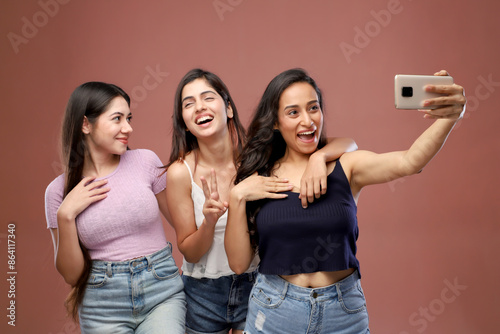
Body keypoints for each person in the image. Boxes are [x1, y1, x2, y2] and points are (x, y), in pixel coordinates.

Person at [225, 68, 466, 333]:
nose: (308, 120)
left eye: (313, 108)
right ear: (275, 122)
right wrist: (236, 197)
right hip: (275, 311)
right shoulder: (258, 177)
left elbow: (409, 161)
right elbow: (238, 264)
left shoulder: (347, 165)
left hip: (342, 312)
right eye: (293, 112)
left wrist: (449, 118)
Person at [165, 69, 357, 334]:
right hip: (203, 292)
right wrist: (209, 222)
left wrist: (318, 158)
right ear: (184, 122)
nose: (199, 107)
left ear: (228, 108)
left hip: (258, 284)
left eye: (208, 98)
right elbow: (189, 252)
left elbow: (347, 143)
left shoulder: (258, 157)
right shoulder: (179, 173)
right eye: (189, 104)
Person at [44, 82, 186, 333]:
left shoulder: (145, 161)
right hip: (102, 306)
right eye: (117, 118)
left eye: (128, 118)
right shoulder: (58, 192)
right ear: (85, 124)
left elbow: (184, 224)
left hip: (161, 290)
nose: (128, 128)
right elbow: (72, 276)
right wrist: (66, 215)